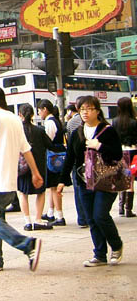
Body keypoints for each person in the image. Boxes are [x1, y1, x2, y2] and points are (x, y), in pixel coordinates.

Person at [0, 83, 43, 271]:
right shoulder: (14, 118)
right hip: (11, 184)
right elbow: (26, 149)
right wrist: (36, 173)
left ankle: (27, 245)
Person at [58, 96, 124, 266]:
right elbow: (70, 158)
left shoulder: (108, 130)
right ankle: (100, 254)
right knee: (91, 219)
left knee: (100, 215)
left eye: (89, 109)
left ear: (97, 110)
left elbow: (117, 154)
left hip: (106, 180)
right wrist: (62, 180)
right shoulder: (76, 133)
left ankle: (116, 246)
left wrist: (99, 146)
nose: (85, 113)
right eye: (82, 110)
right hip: (83, 181)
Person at [17, 104, 53, 231]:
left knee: (23, 193)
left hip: (22, 168)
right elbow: (50, 145)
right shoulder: (39, 130)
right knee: (40, 192)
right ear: (32, 115)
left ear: (20, 114)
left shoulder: (17, 131)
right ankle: (38, 219)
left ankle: (27, 221)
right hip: (38, 167)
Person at [37, 99, 69, 226]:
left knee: (54, 187)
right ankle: (51, 213)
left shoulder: (50, 123)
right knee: (52, 186)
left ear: (45, 109)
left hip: (53, 157)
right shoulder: (55, 121)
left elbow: (47, 141)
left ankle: (60, 216)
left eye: (39, 110)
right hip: (57, 156)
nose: (39, 113)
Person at [111, 97, 137, 217]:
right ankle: (128, 209)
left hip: (119, 152)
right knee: (130, 179)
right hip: (132, 151)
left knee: (121, 178)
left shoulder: (115, 121)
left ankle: (120, 207)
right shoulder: (134, 122)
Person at [65, 98, 88, 227]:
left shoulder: (71, 123)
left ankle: (82, 219)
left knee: (78, 190)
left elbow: (69, 143)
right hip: (90, 160)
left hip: (76, 162)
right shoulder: (94, 122)